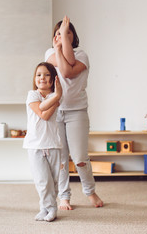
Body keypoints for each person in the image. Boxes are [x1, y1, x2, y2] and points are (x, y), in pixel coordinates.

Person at [45, 16, 103, 210]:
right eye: (58, 33)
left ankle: (90, 191)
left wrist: (62, 43)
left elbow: (68, 71)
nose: (62, 35)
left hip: (77, 112)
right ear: (55, 38)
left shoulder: (82, 54)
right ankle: (64, 196)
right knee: (61, 159)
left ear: (73, 36)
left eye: (66, 32)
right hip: (56, 112)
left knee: (79, 158)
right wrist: (57, 48)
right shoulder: (49, 54)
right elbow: (64, 66)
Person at [23, 62, 62, 222]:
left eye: (46, 75)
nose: (42, 78)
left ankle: (46, 207)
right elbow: (42, 113)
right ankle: (49, 208)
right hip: (35, 145)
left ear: (53, 80)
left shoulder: (54, 96)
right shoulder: (32, 95)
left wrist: (56, 97)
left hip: (53, 144)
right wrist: (57, 97)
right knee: (42, 180)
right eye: (38, 74)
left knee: (53, 181)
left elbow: (47, 112)